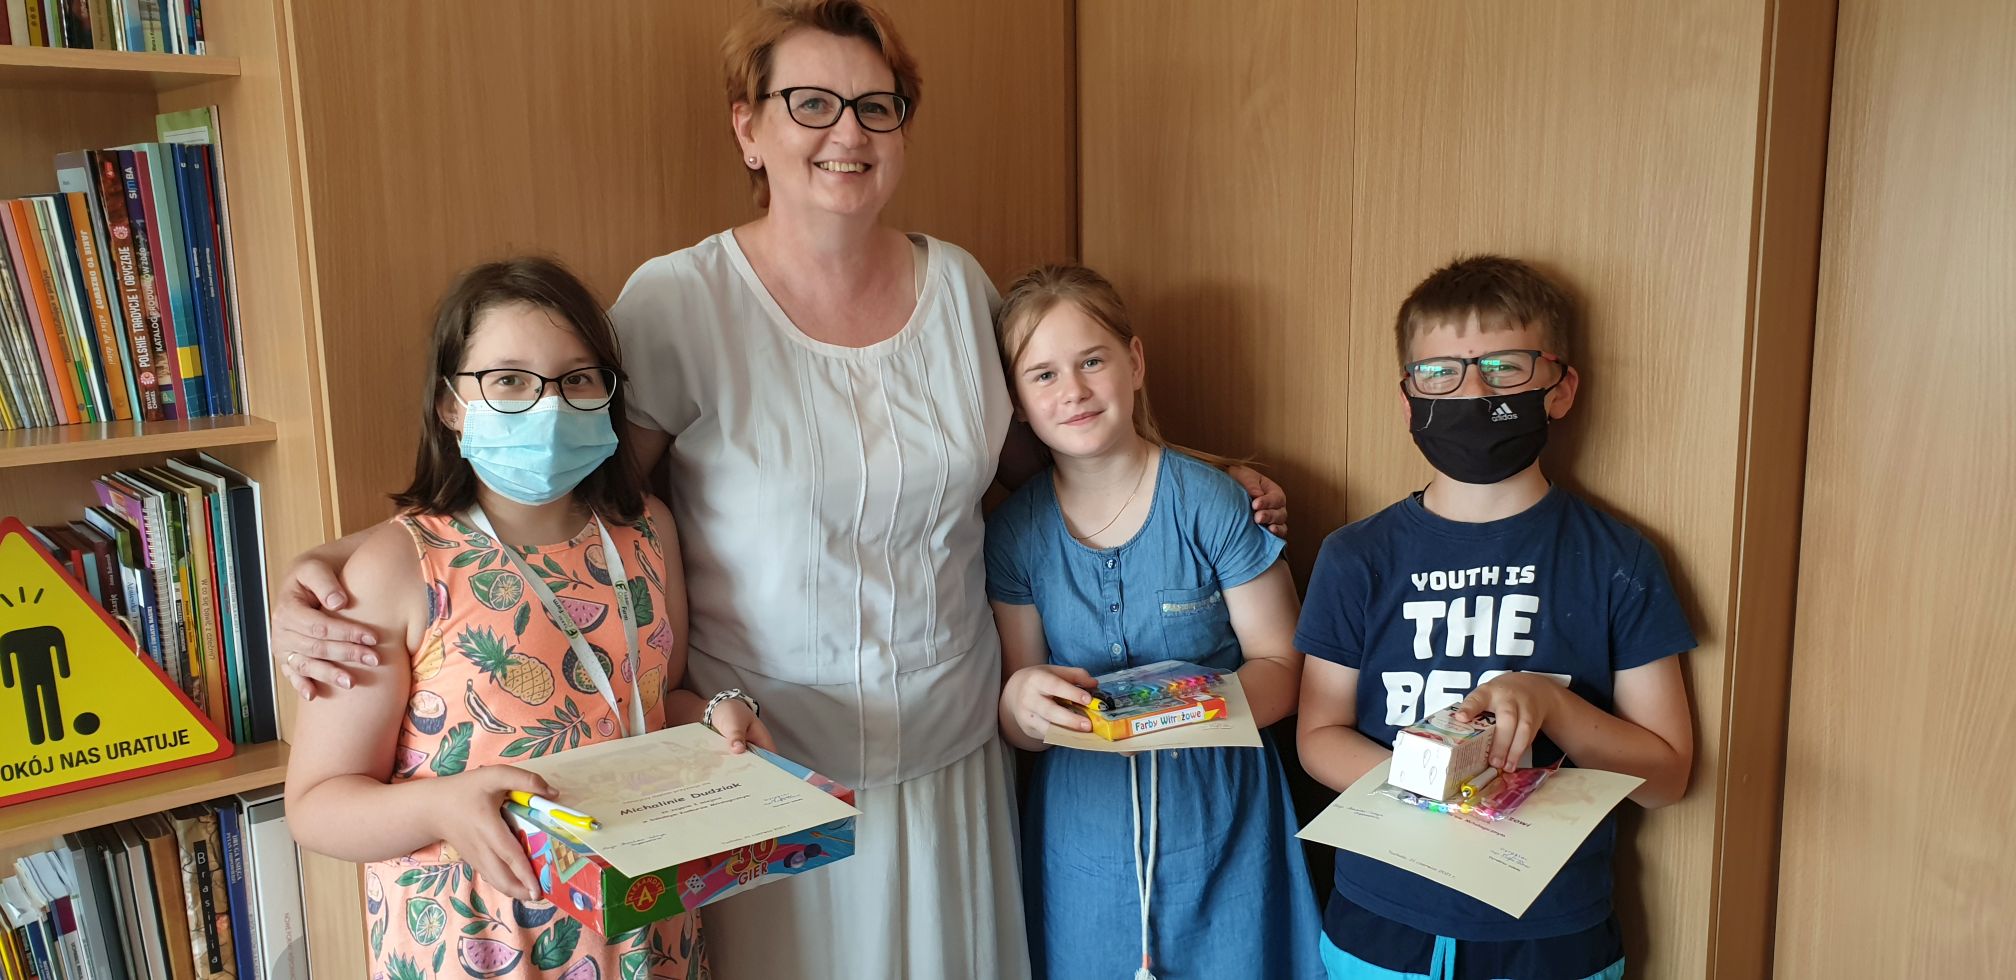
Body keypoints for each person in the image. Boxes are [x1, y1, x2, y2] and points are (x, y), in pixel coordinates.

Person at [267, 4, 1286, 977]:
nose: (848, 131)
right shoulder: (680, 301)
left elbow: (1044, 456)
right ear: (748, 127)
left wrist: (1194, 471)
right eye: (811, 103)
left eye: (877, 105)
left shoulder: (961, 288)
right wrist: (342, 563)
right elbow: (563, 491)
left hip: (953, 753)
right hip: (766, 774)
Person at [283, 258, 767, 980]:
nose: (549, 405)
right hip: (478, 943)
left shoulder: (648, 532)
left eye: (577, 379)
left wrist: (716, 716)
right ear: (450, 404)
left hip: (647, 927)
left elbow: (653, 702)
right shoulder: (394, 570)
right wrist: (441, 808)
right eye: (509, 379)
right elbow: (316, 805)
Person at [1294, 255, 1696, 980]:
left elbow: (1667, 779)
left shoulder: (1618, 558)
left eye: (1505, 368)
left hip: (1554, 934)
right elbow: (1318, 736)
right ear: (1409, 399)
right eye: (1439, 373)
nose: (1473, 391)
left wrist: (1552, 703)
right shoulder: (1356, 556)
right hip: (1382, 927)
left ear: (1560, 388)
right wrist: (1439, 788)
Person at [985, 265, 1324, 980]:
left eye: (1092, 361)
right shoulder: (1015, 533)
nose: (1073, 390)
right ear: (1014, 400)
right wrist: (1020, 704)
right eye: (1042, 375)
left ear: (1134, 362)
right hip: (1084, 833)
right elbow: (1021, 714)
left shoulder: (1215, 503)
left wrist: (1183, 708)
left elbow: (1284, 667)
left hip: (1222, 816)